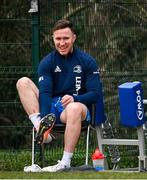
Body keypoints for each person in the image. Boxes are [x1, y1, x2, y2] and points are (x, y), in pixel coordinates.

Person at [16, 19, 101, 172]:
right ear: (53, 39)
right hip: (52, 107)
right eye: (58, 39)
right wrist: (45, 116)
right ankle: (42, 129)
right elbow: (46, 92)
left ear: (74, 38)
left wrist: (76, 98)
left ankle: (65, 163)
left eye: (66, 38)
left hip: (76, 108)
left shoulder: (87, 61)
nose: (62, 43)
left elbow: (95, 94)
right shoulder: (47, 62)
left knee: (74, 108)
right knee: (23, 82)